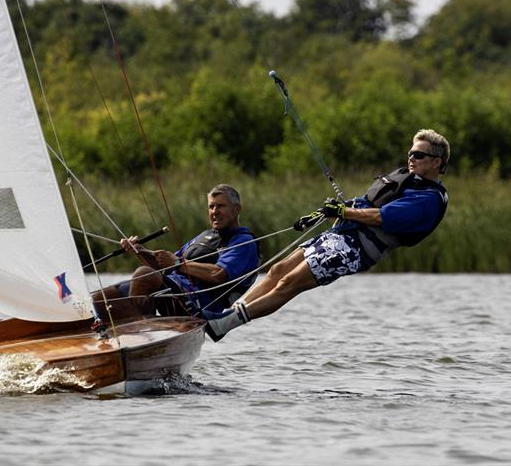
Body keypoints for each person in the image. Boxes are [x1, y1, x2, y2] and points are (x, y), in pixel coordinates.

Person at [204, 129, 450, 341]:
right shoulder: (407, 180)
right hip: (339, 236)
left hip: (355, 250)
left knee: (288, 284)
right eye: (410, 153)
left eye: (419, 155)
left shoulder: (427, 200)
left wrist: (344, 211)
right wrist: (324, 213)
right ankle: (225, 319)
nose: (411, 158)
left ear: (437, 162)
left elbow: (381, 217)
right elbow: (365, 203)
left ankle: (225, 324)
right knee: (277, 270)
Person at [97, 184, 260, 319]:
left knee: (142, 275)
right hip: (171, 289)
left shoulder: (244, 242)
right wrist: (139, 251)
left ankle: (143, 332)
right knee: (100, 298)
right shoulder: (205, 236)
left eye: (221, 206)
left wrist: (177, 263)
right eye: (211, 206)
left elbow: (218, 274)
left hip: (195, 302)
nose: (214, 211)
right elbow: (164, 268)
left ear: (237, 209)